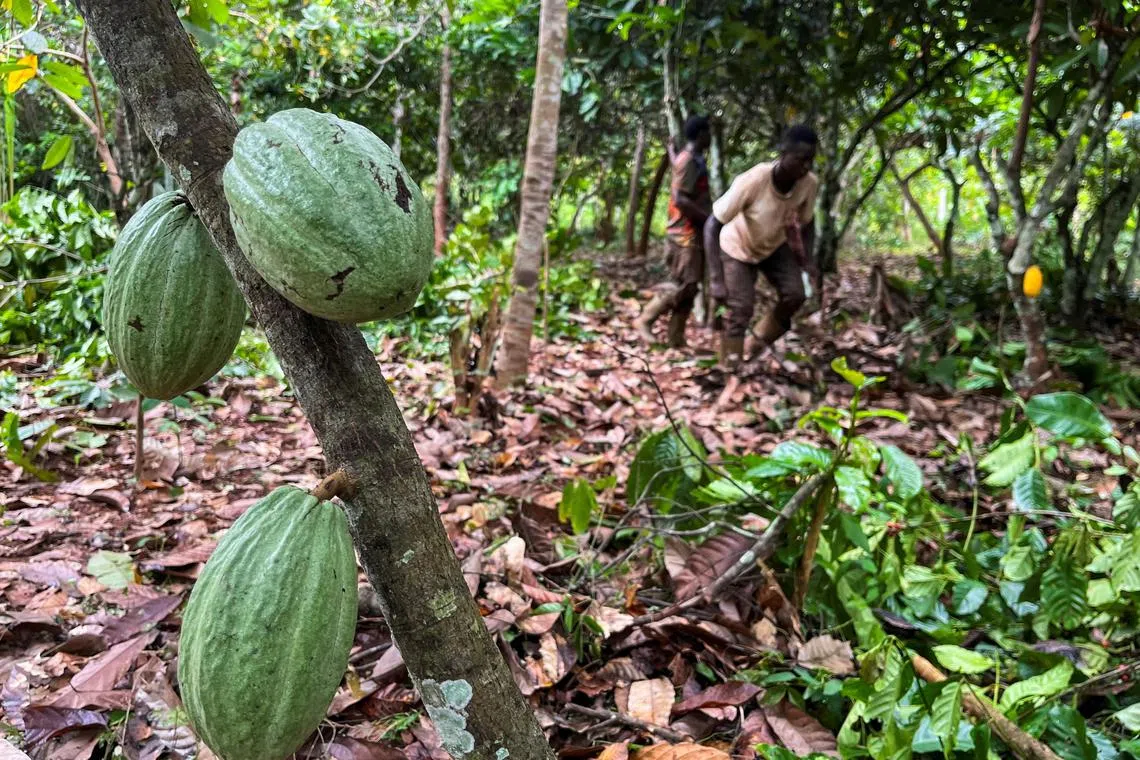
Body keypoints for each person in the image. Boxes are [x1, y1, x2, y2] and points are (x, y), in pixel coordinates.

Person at [705, 124, 819, 370]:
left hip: (772, 246)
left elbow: (808, 223)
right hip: (737, 246)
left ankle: (753, 345)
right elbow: (712, 225)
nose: (806, 167)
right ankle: (730, 367)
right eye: (800, 160)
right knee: (741, 308)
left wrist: (808, 261)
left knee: (795, 294)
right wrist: (716, 279)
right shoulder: (755, 179)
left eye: (810, 160)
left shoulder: (809, 184)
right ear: (783, 153)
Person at [635, 115, 713, 348]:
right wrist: (709, 219)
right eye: (708, 132)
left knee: (691, 286)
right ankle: (645, 320)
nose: (711, 137)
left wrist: (671, 151)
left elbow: (679, 173)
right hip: (684, 233)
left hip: (693, 233)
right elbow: (680, 199)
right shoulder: (688, 161)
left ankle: (676, 338)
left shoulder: (691, 159)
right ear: (700, 134)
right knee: (685, 284)